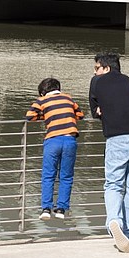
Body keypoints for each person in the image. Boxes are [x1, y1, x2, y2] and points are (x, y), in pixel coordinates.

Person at [88, 53, 129, 253]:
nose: (94, 71)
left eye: (96, 67)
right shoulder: (128, 80)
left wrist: (100, 109)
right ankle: (127, 233)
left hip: (117, 139)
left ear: (105, 68)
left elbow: (94, 110)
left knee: (114, 184)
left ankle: (114, 221)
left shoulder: (97, 82)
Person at [25, 77, 84, 221]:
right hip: (70, 139)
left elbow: (29, 116)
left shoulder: (42, 101)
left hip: (52, 140)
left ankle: (46, 208)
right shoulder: (68, 98)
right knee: (66, 176)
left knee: (48, 175)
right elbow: (80, 115)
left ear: (42, 92)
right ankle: (61, 209)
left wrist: (45, 116)